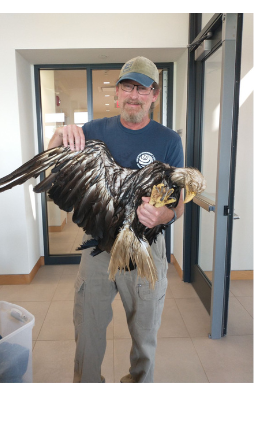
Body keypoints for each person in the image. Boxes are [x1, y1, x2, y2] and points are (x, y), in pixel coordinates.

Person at [48, 56, 184, 383]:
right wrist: (56, 139)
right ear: (118, 93)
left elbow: (178, 202)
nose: (133, 95)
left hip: (145, 248)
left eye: (142, 88)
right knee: (88, 326)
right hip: (97, 247)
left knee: (144, 330)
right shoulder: (93, 132)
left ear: (154, 94)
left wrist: (162, 212)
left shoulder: (168, 141)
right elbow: (52, 174)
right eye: (127, 87)